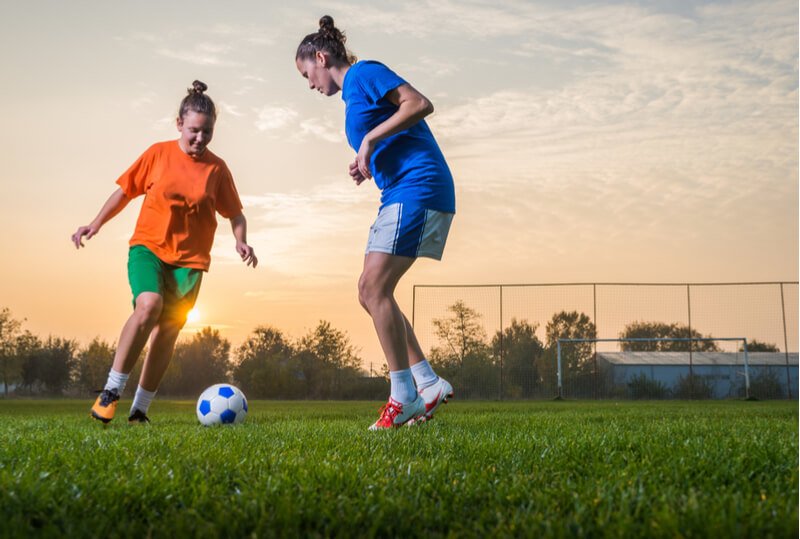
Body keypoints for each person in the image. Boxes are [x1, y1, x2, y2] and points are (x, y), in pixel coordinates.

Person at [296, 16, 456, 430]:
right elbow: (391, 135)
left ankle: (403, 396)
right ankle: (427, 382)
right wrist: (366, 161)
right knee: (371, 293)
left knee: (372, 287)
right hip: (401, 190)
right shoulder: (352, 96)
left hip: (418, 188)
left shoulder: (363, 73)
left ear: (320, 57)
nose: (310, 84)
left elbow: (419, 104)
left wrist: (368, 141)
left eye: (307, 74)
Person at [71, 81, 257, 424]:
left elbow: (235, 213)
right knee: (149, 305)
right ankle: (111, 391)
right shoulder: (158, 153)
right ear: (179, 125)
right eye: (193, 131)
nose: (199, 139)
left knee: (168, 331)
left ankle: (140, 410)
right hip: (149, 249)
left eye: (207, 132)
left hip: (189, 263)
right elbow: (124, 193)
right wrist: (95, 224)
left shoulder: (217, 170)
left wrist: (240, 240)